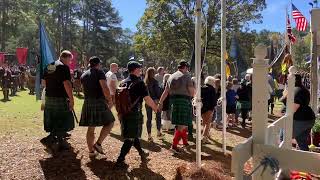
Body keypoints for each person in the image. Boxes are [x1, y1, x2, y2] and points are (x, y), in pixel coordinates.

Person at [115, 61, 158, 167]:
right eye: (139, 68)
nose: (141, 70)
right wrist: (155, 108)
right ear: (136, 70)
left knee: (132, 135)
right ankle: (120, 161)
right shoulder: (140, 83)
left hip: (124, 113)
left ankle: (142, 153)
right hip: (134, 113)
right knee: (130, 138)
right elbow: (147, 99)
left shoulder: (123, 82)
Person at [79, 57, 115, 157]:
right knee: (110, 122)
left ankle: (91, 152)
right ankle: (98, 144)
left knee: (91, 127)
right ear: (98, 64)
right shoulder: (99, 72)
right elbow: (104, 87)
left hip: (87, 102)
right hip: (99, 101)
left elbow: (83, 90)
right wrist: (110, 100)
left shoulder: (84, 74)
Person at [41, 50, 75, 151]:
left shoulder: (49, 65)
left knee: (53, 119)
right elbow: (67, 84)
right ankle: (52, 140)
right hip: (60, 98)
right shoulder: (63, 67)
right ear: (66, 57)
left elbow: (43, 83)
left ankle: (58, 141)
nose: (70, 62)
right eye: (70, 60)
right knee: (62, 119)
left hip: (49, 97)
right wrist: (71, 99)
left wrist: (52, 88)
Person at [159, 60, 195, 153]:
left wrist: (160, 102)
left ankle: (185, 143)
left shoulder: (171, 76)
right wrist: (195, 96)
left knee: (180, 124)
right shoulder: (186, 76)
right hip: (184, 101)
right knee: (182, 125)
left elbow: (165, 91)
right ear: (186, 67)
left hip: (173, 101)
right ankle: (174, 146)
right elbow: (191, 92)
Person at [293, 74, 315, 151]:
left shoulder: (295, 91)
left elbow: (294, 108)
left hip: (302, 119)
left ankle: (305, 160)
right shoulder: (304, 89)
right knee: (302, 141)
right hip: (309, 118)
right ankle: (301, 156)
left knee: (284, 136)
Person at [144, 67, 163, 141]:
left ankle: (149, 135)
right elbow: (157, 92)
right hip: (155, 101)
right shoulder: (155, 81)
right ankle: (158, 132)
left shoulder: (145, 82)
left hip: (147, 101)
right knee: (158, 116)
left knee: (149, 118)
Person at [201, 76, 216, 143]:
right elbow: (213, 100)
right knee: (208, 123)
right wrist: (214, 106)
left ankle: (205, 135)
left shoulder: (201, 87)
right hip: (209, 107)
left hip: (202, 107)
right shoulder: (212, 89)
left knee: (204, 122)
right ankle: (204, 137)